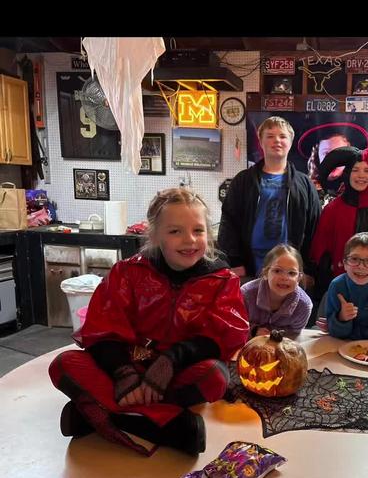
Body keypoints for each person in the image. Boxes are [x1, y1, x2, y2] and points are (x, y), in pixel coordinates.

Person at [48, 188, 250, 457]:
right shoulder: (127, 272)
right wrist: (123, 373)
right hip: (127, 367)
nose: (189, 240)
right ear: (155, 235)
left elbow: (222, 337)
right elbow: (102, 330)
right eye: (175, 231)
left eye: (198, 230)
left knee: (215, 376)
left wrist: (170, 360)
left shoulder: (222, 280)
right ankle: (169, 427)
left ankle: (99, 415)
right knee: (63, 364)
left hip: (177, 375)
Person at [217, 116, 321, 285]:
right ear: (261, 141)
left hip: (291, 270)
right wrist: (235, 262)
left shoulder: (305, 185)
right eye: (270, 136)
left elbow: (314, 229)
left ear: (290, 142)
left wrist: (308, 269)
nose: (277, 141)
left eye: (282, 136)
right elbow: (229, 223)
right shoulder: (243, 181)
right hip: (250, 269)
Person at [309, 145, 368, 301]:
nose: (361, 175)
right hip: (339, 292)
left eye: (367, 170)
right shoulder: (332, 210)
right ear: (347, 174)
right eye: (355, 170)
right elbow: (320, 252)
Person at [241, 244, 312, 339]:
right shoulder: (246, 295)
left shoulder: (303, 306)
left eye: (291, 273)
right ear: (265, 273)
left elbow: (294, 334)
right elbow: (235, 325)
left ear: (299, 278)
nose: (284, 278)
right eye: (277, 271)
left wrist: (274, 337)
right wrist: (254, 330)